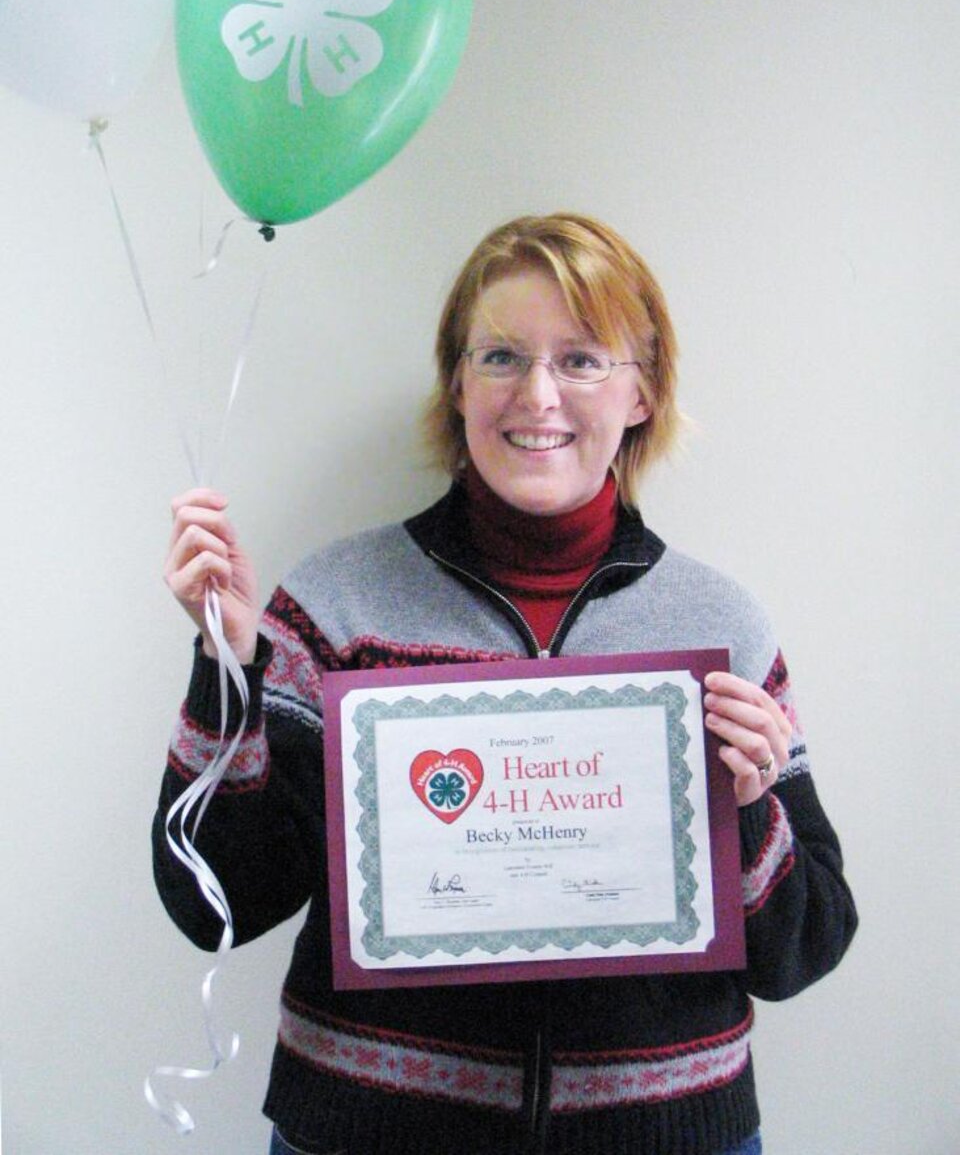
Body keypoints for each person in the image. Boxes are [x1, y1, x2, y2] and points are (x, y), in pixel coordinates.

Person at [154, 213, 857, 1155]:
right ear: (456, 381)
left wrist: (749, 810)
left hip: (666, 1137)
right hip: (371, 1132)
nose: (538, 394)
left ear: (643, 389)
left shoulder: (720, 625)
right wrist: (228, 669)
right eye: (500, 356)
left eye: (582, 359)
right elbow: (214, 900)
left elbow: (806, 947)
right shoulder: (335, 604)